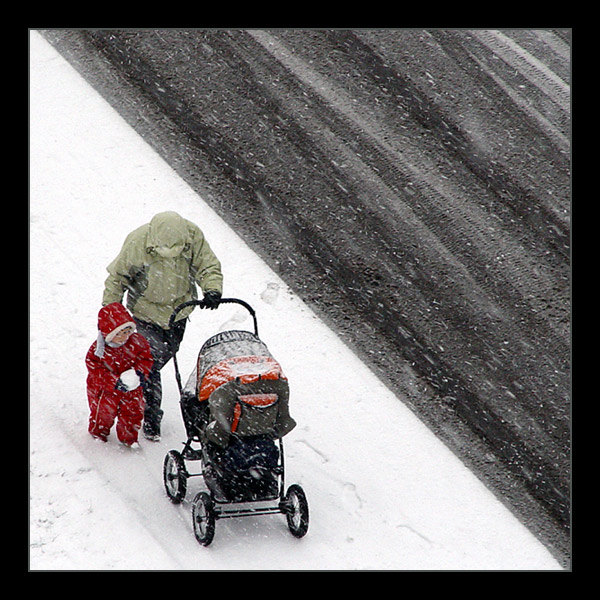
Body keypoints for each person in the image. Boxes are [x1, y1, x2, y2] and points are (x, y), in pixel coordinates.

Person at [102, 211, 224, 441]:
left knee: (157, 360)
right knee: (150, 364)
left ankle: (140, 397)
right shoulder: (137, 242)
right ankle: (150, 417)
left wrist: (212, 288)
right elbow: (117, 278)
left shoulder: (192, 236)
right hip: (145, 314)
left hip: (178, 314)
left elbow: (206, 265)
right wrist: (111, 313)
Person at [86, 302, 154, 446]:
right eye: (119, 334)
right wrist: (114, 381)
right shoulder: (98, 350)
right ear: (108, 333)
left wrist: (140, 374)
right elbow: (95, 370)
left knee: (132, 414)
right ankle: (99, 433)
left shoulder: (137, 343)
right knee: (103, 414)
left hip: (131, 389)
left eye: (127, 332)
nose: (124, 337)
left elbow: (146, 358)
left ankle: (129, 439)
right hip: (106, 391)